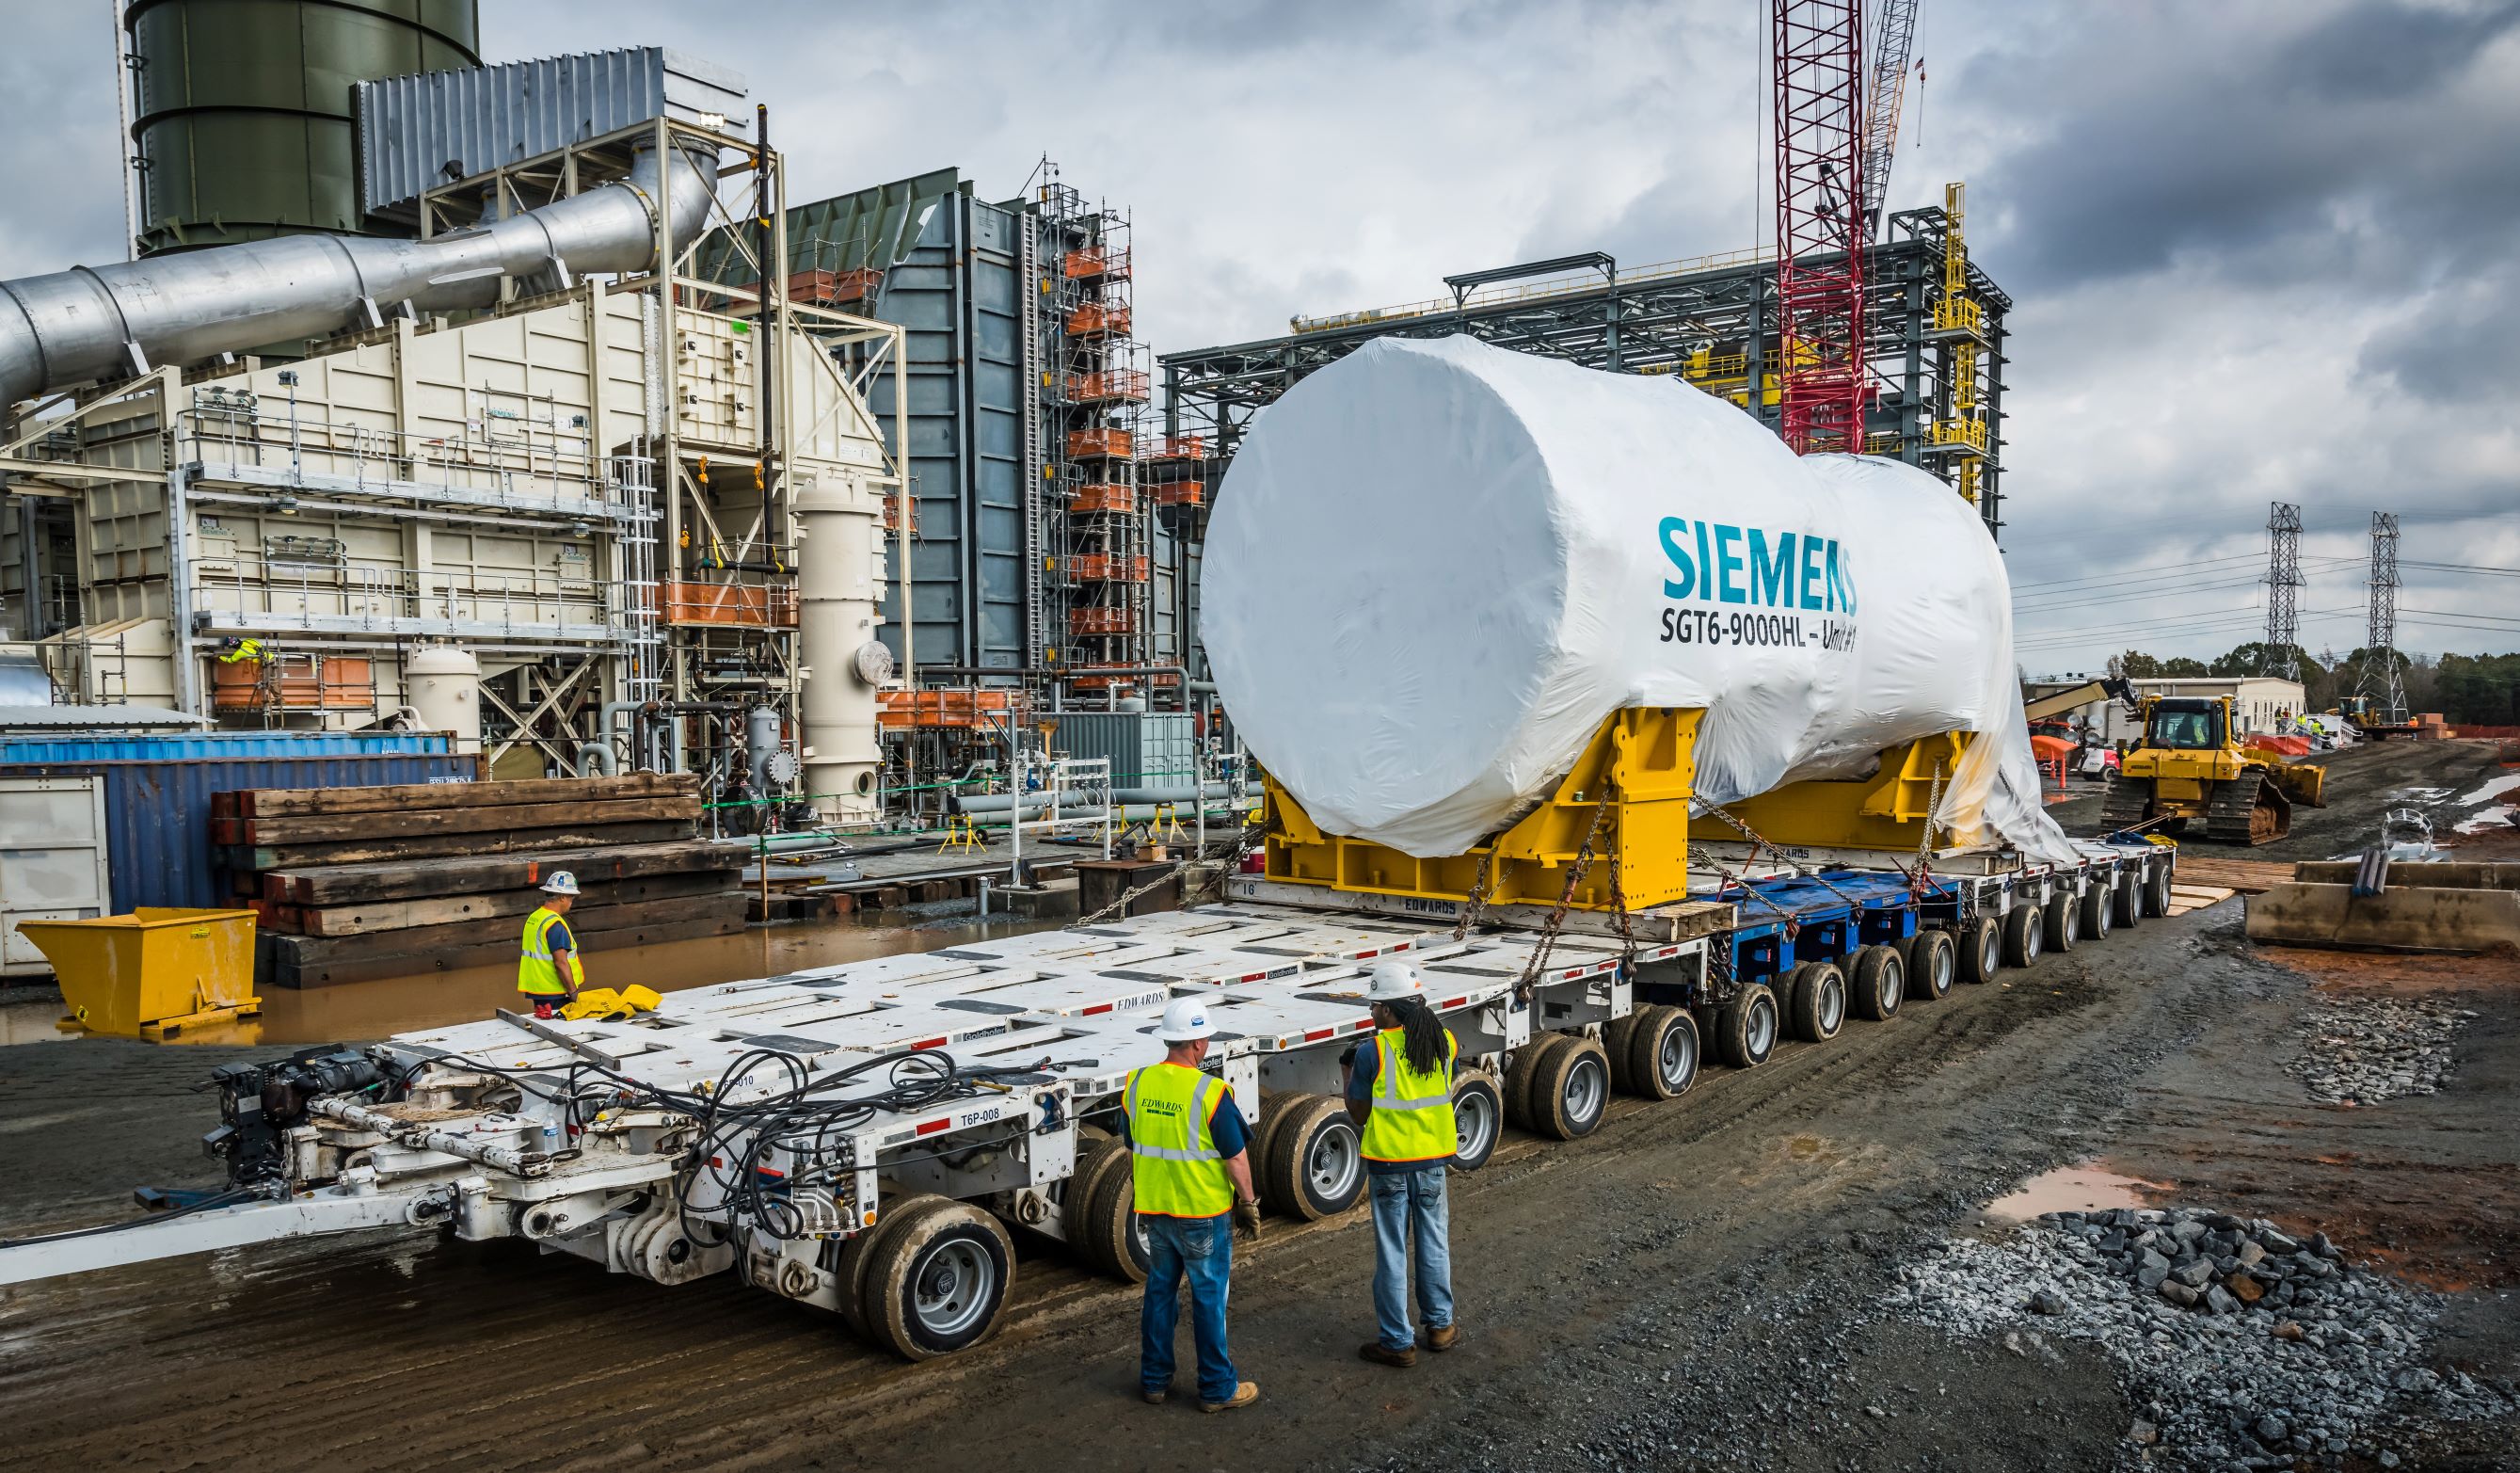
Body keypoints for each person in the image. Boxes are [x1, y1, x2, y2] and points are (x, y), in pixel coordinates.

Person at [1126, 997, 1264, 1412]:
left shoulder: (1138, 1083)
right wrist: (1248, 1202)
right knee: (1208, 1299)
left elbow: (1132, 1143)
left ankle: (1154, 1381)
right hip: (1202, 1213)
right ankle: (1217, 1388)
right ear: (1199, 1044)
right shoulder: (1211, 1092)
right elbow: (1235, 1157)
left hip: (1156, 1209)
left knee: (1160, 1293)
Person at [1345, 960, 1459, 1368]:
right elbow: (1444, 1084)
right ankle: (1440, 1326)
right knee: (1434, 1242)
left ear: (1391, 1010)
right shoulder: (1445, 1040)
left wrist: (1349, 1074)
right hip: (1431, 1160)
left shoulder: (1372, 1051)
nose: (1371, 1011)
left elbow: (1358, 1112)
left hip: (1390, 1163)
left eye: (1375, 1006)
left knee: (1393, 1251)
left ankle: (1397, 1342)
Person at [517, 871, 583, 1019]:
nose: (571, 902)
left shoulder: (535, 917)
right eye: (571, 897)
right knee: (559, 1029)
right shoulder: (555, 925)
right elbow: (561, 963)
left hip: (539, 991)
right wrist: (573, 993)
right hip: (555, 992)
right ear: (562, 897)